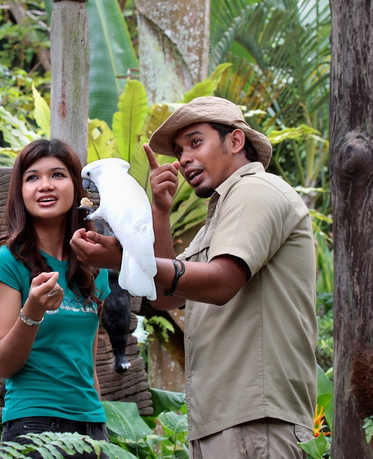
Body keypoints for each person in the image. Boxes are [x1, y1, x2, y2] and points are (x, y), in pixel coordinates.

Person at [70, 96, 317, 458]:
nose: (184, 158)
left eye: (195, 142)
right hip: (225, 419)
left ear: (235, 141)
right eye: (180, 150)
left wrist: (123, 256)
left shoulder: (255, 192)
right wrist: (159, 212)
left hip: (255, 419)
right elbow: (166, 297)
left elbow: (220, 283)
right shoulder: (219, 217)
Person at [0, 138, 111, 452]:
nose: (45, 185)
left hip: (90, 427)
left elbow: (87, 364)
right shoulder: (7, 262)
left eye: (57, 175)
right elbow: (3, 364)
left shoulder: (95, 265)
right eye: (32, 177)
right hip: (32, 425)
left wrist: (100, 425)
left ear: (77, 187)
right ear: (20, 191)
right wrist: (33, 311)